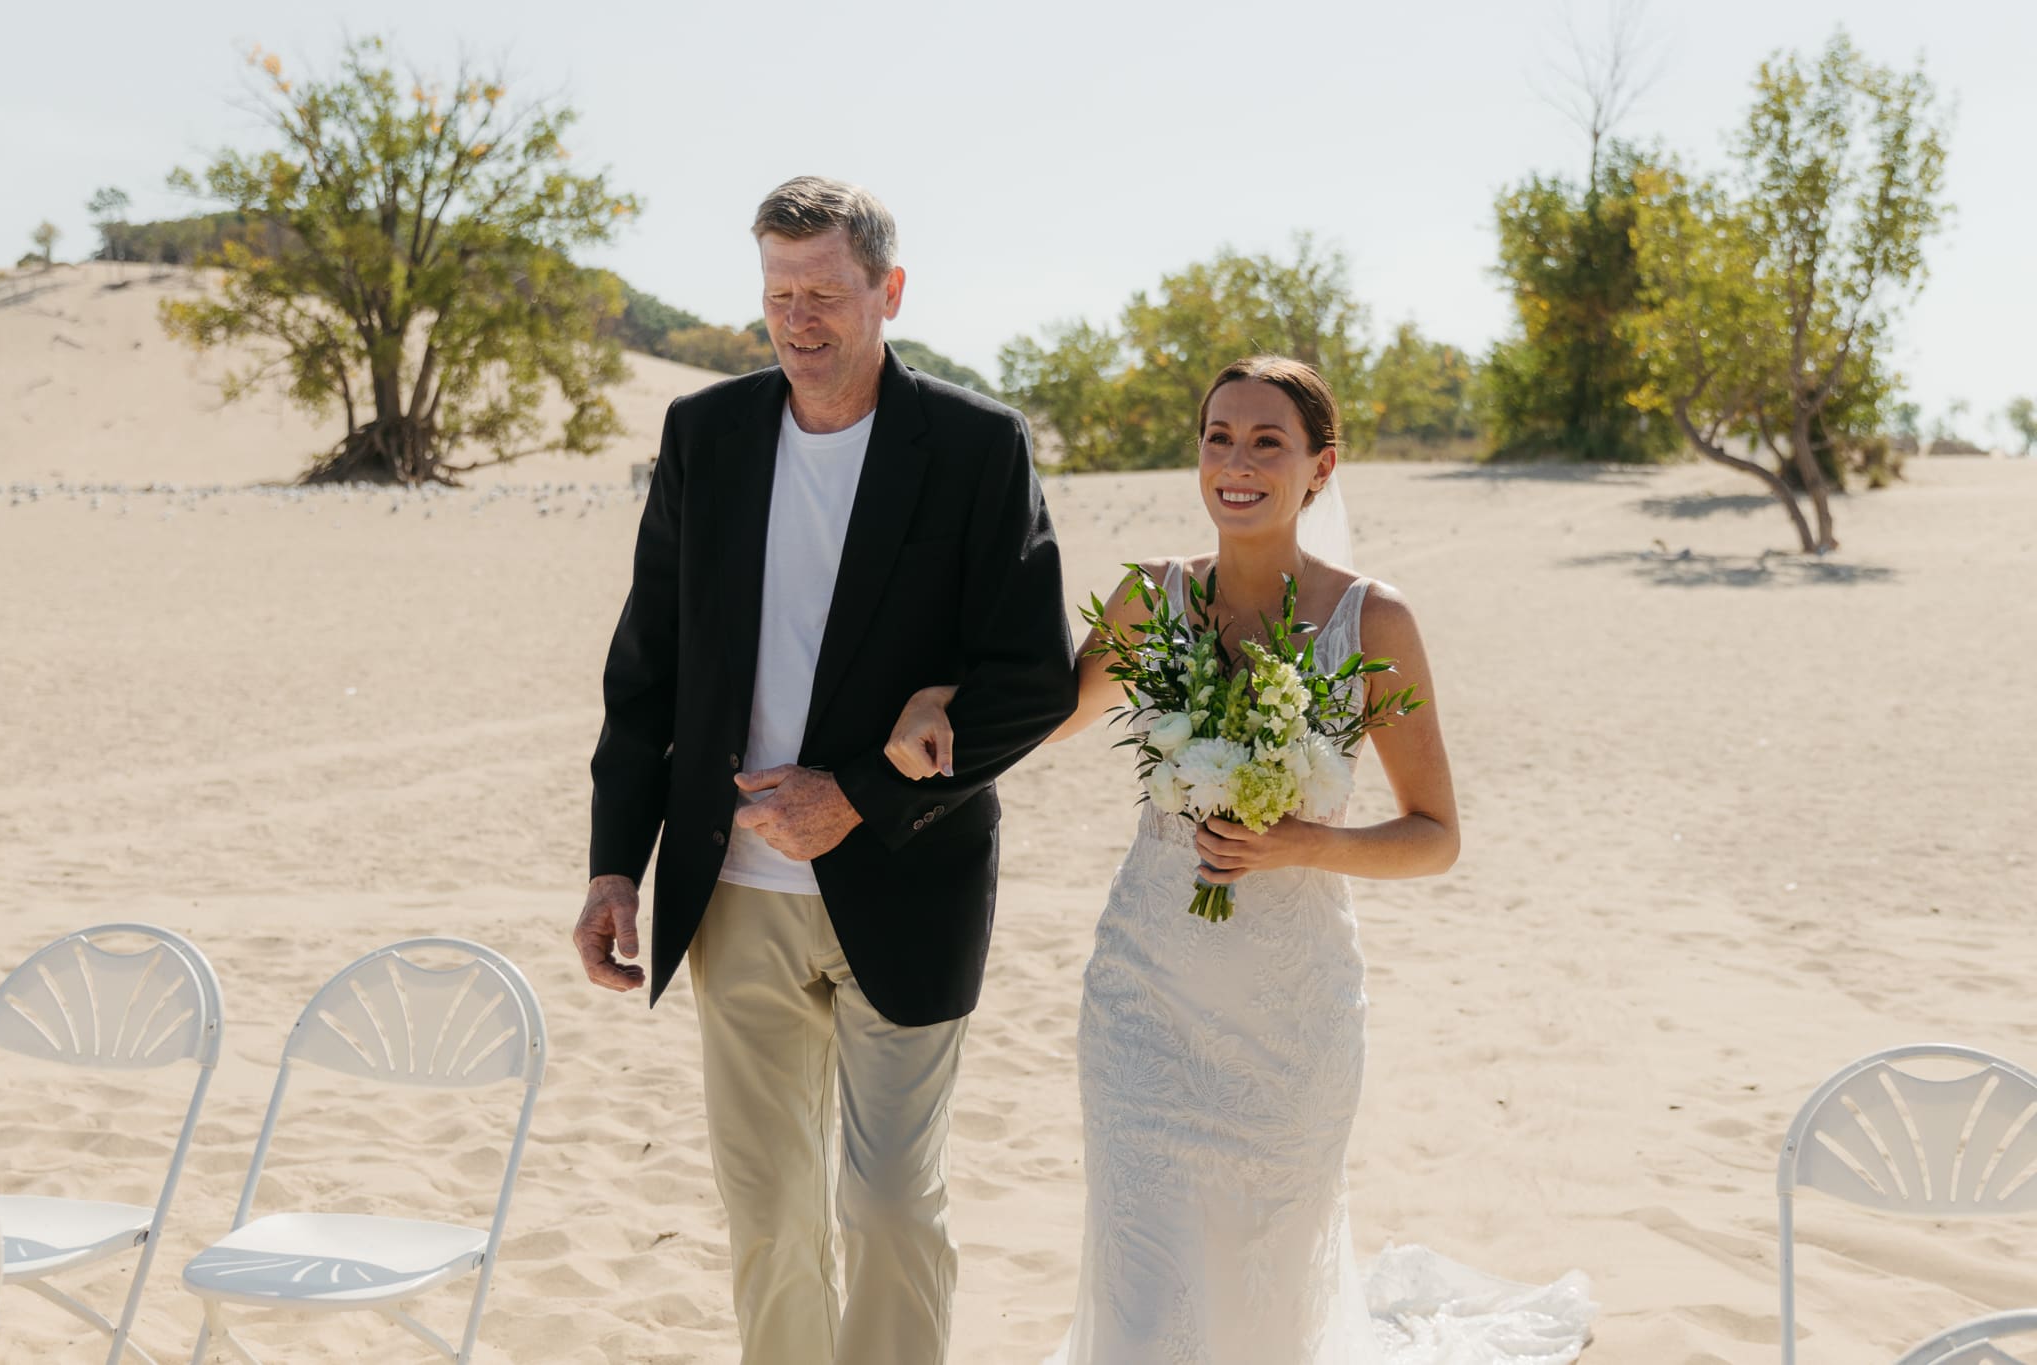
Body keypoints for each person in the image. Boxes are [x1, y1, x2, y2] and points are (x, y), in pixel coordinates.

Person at [885, 356, 1595, 1363]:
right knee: (1142, 1288)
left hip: (1288, 1022)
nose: (1236, 461)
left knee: (1261, 1289)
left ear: (1319, 467)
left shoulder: (1373, 622)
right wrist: (934, 699)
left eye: (1268, 442)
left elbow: (1434, 836)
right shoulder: (1149, 600)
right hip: (1143, 997)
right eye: (1218, 436)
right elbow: (1038, 722)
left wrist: (1303, 843)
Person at [575, 175, 1078, 1365]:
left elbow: (1032, 683)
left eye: (825, 294)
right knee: (769, 1219)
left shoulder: (974, 446)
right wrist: (611, 867)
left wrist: (855, 792)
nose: (798, 320)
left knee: (893, 1209)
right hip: (731, 895)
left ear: (886, 292)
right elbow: (647, 669)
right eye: (777, 294)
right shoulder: (705, 435)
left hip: (908, 886)